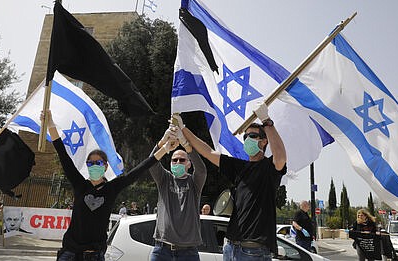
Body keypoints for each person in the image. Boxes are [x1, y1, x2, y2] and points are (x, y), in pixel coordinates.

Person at [42, 110, 176, 261]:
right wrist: (50, 124)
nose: (94, 166)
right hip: (70, 254)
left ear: (105, 166)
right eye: (90, 163)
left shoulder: (112, 189)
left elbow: (140, 169)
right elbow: (63, 155)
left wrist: (164, 149)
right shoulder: (80, 184)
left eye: (98, 163)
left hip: (94, 255)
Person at [172, 102, 287, 261]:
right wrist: (183, 129)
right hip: (231, 248)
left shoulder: (269, 168)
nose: (248, 140)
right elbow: (208, 152)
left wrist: (267, 121)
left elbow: (280, 157)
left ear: (264, 141)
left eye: (252, 136)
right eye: (246, 137)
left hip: (254, 251)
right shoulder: (240, 167)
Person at [149, 124, 207, 261]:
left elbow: (201, 170)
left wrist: (186, 144)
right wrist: (163, 144)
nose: (178, 162)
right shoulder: (165, 178)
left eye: (182, 160)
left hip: (188, 252)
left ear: (189, 164)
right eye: (174, 160)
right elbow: (151, 163)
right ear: (170, 163)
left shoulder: (194, 183)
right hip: (162, 250)